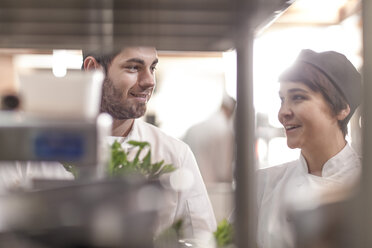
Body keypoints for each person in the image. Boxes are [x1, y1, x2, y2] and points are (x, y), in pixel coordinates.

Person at [83, 46, 217, 239]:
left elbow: (202, 239)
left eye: (152, 68)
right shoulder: (41, 152)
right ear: (93, 70)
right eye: (133, 68)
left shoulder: (175, 155)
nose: (149, 81)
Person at [256, 49, 362, 248]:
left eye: (298, 97)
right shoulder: (263, 185)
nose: (282, 113)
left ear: (341, 108)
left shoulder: (364, 187)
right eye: (282, 100)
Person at [183, 94, 236, 185]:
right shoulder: (224, 130)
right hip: (214, 191)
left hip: (190, 187)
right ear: (231, 110)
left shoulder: (195, 128)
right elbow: (224, 171)